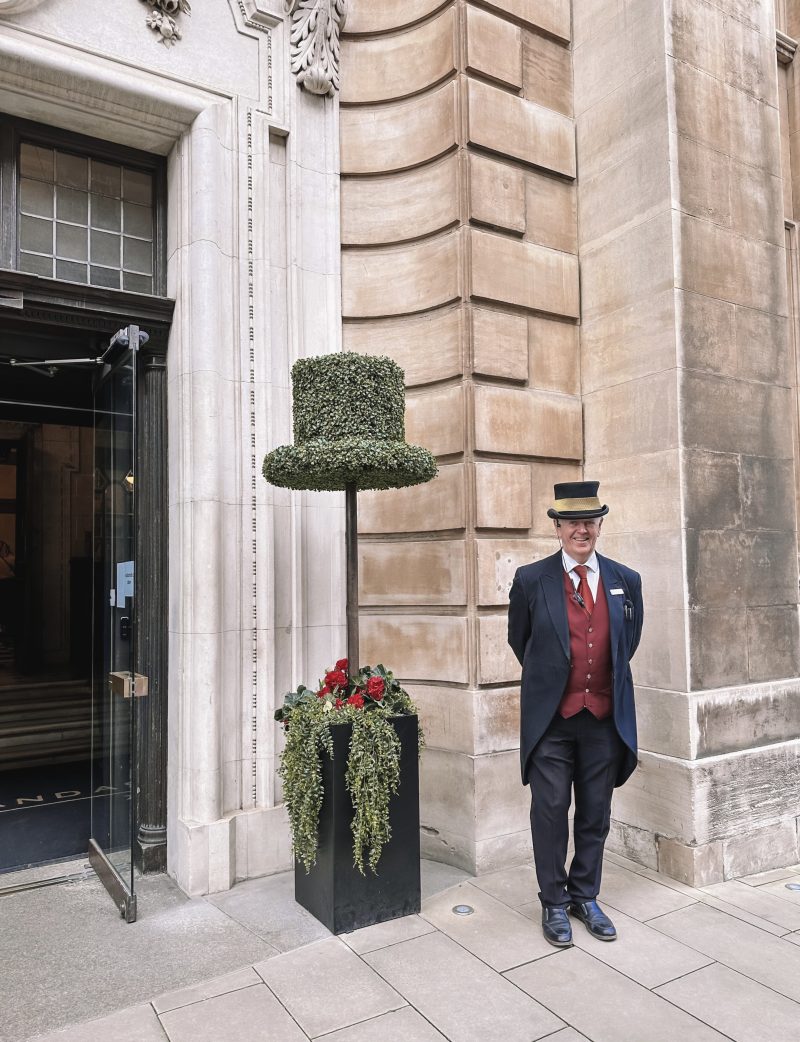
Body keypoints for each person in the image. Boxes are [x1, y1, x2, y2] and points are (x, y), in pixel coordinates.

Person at [507, 480, 643, 947]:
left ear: (600, 524)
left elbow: (629, 641)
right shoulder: (531, 580)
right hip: (553, 722)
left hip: (604, 719)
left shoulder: (627, 580)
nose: (580, 530)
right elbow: (519, 641)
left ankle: (585, 895)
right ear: (558, 527)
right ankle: (553, 901)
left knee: (595, 812)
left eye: (588, 521)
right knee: (548, 811)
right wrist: (555, 681)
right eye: (571, 522)